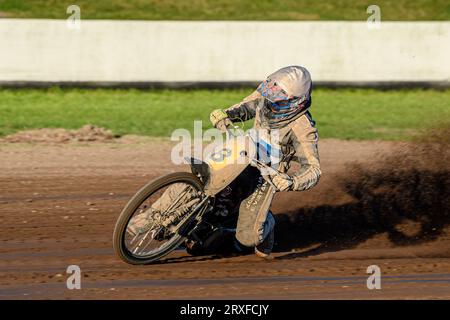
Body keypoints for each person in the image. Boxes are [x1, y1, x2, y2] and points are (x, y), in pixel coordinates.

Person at [209, 65, 321, 258]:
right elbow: (246, 107)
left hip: (266, 175)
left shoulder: (303, 128)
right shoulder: (269, 96)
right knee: (207, 188)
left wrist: (291, 181)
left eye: (278, 102)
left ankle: (267, 223)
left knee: (246, 240)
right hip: (243, 154)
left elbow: (313, 169)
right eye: (271, 98)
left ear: (297, 103)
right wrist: (225, 115)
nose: (270, 105)